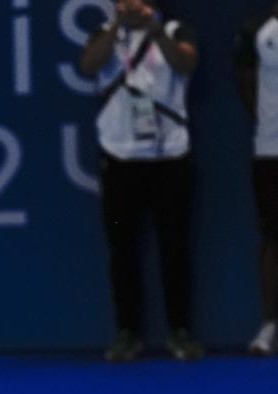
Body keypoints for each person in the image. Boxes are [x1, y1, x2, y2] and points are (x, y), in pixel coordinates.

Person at [78, 0, 203, 361]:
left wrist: (153, 28)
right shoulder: (105, 33)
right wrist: (118, 26)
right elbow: (88, 64)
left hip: (170, 156)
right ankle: (127, 333)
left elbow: (186, 62)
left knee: (174, 248)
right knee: (122, 251)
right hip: (119, 156)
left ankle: (180, 332)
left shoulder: (177, 32)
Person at [235, 0, 278, 356]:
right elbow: (246, 88)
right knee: (273, 237)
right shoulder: (257, 32)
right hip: (270, 150)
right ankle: (270, 324)